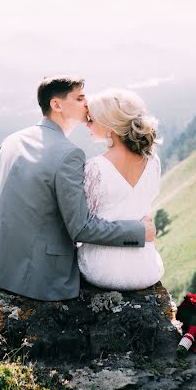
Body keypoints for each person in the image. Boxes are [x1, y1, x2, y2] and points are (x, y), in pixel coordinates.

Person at [0, 76, 156, 301]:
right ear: (56, 105)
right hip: (35, 278)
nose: (87, 104)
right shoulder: (69, 155)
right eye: (79, 98)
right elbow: (80, 228)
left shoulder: (11, 140)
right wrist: (139, 231)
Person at [79, 88, 164, 290]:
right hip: (145, 268)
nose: (87, 124)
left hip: (102, 270)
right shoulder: (153, 160)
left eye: (91, 119)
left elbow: (84, 224)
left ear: (109, 126)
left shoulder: (95, 168)